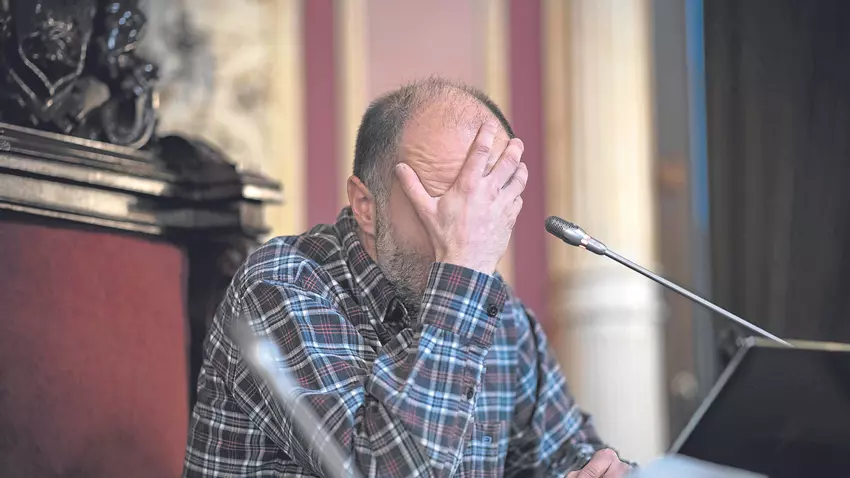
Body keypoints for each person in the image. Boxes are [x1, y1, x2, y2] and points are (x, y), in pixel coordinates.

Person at [183, 77, 633, 477]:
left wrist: (598, 470)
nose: (468, 233)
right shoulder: (282, 286)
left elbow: (564, 453)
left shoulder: (502, 316)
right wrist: (461, 272)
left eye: (484, 208)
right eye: (444, 207)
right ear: (366, 205)